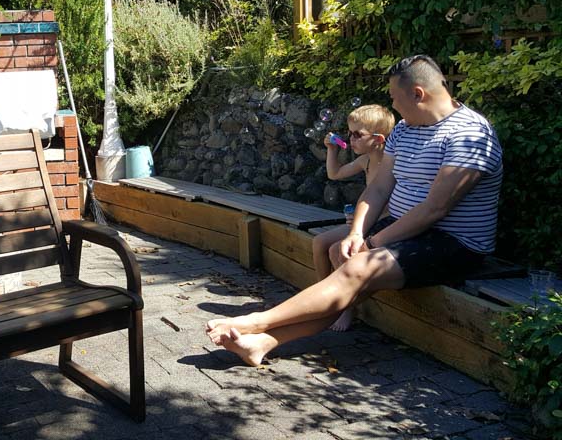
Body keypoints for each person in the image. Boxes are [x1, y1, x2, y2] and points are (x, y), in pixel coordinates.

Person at [206, 55, 503, 366]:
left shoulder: (470, 135)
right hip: (405, 228)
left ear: (418, 94)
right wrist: (357, 233)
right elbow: (378, 188)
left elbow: (434, 209)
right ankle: (263, 344)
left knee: (359, 266)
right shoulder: (405, 129)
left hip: (455, 243)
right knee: (341, 252)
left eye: (395, 97)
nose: (393, 105)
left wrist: (372, 243)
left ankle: (255, 323)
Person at [312, 104, 396, 331]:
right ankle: (323, 297)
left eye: (357, 134)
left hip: (383, 225)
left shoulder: (393, 163)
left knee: (336, 250)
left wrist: (359, 222)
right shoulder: (365, 160)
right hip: (365, 224)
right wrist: (332, 150)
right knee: (319, 242)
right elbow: (334, 174)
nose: (351, 139)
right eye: (349, 133)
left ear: (378, 139)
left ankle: (344, 307)